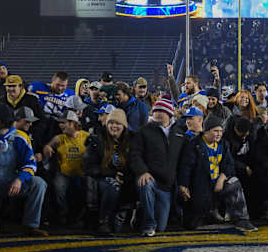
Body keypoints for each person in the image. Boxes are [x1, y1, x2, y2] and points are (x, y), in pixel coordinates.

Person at [0, 103, 48, 238]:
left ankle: (31, 225)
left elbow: (30, 164)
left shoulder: (20, 137)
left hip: (11, 181)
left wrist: (19, 179)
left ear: (4, 122)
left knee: (38, 184)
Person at [177, 116, 257, 232]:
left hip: (218, 184)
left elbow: (229, 164)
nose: (219, 134)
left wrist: (221, 178)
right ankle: (209, 212)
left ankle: (242, 219)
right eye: (215, 131)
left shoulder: (223, 144)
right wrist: (183, 185)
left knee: (234, 182)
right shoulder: (194, 144)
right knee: (191, 224)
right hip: (200, 186)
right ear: (206, 131)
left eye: (220, 131)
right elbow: (185, 167)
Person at [130, 99, 187, 235]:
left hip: (167, 185)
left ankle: (140, 214)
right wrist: (142, 171)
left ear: (169, 113)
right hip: (150, 178)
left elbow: (183, 162)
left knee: (161, 227)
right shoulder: (144, 131)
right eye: (155, 110)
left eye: (161, 111)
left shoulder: (179, 133)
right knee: (146, 184)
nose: (158, 113)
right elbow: (134, 154)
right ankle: (148, 224)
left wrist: (182, 184)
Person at [82, 108, 133, 235]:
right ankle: (102, 222)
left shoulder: (132, 141)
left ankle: (128, 217)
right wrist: (111, 174)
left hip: (124, 178)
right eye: (111, 123)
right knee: (112, 185)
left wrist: (125, 176)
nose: (114, 126)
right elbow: (88, 167)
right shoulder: (96, 139)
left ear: (124, 126)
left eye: (118, 123)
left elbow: (134, 163)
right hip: (100, 177)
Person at [42, 110, 89, 225]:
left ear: (72, 123)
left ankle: (80, 217)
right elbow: (48, 146)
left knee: (88, 187)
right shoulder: (60, 138)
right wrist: (47, 148)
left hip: (82, 173)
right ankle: (62, 213)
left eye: (63, 122)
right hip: (64, 173)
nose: (60, 125)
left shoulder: (86, 136)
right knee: (59, 186)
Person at [2, 75, 47, 157]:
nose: (11, 89)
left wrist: (38, 148)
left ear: (21, 86)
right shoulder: (1, 102)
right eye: (8, 86)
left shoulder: (32, 100)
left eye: (14, 86)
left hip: (30, 141)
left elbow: (41, 123)